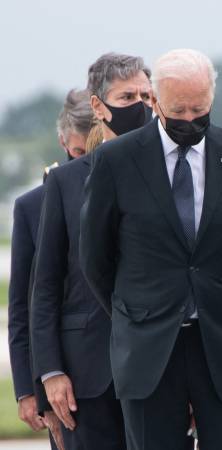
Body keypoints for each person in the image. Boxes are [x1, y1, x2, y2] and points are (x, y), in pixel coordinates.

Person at [79, 48, 222, 450]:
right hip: (148, 348)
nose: (189, 119)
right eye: (178, 109)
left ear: (212, 100)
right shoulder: (116, 161)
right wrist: (135, 312)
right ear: (155, 100)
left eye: (199, 109)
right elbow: (96, 258)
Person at [30, 54, 153, 450]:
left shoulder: (171, 174)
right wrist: (49, 372)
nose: (140, 105)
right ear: (99, 106)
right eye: (128, 95)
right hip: (85, 375)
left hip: (157, 368)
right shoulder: (65, 182)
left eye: (147, 96)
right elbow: (45, 285)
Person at [9, 88, 94, 450]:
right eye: (77, 153)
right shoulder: (33, 206)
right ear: (62, 141)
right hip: (64, 373)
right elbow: (24, 304)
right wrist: (29, 389)